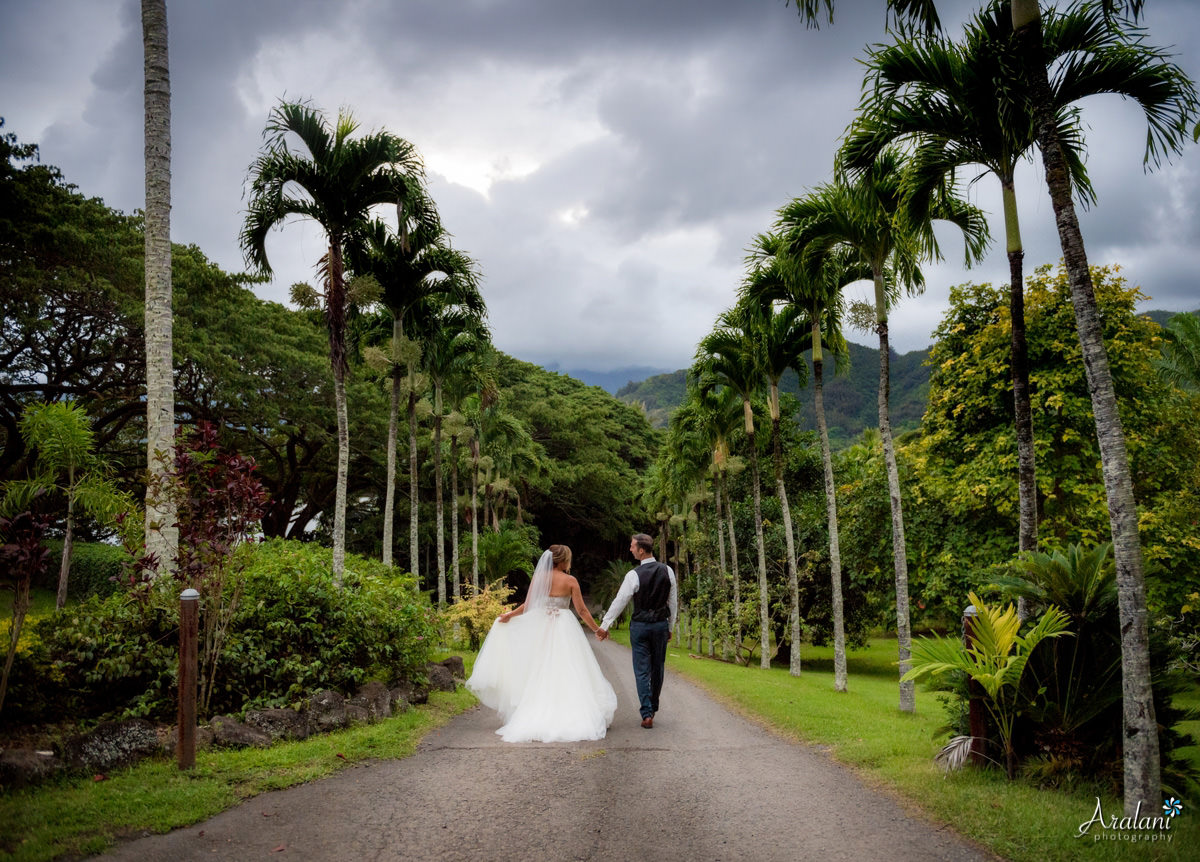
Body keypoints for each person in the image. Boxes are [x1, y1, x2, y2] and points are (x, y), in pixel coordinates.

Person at [466, 545, 617, 743]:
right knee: (569, 668)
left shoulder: (540, 579)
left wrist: (510, 615)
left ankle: (537, 712)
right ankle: (569, 710)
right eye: (568, 559)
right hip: (564, 628)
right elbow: (582, 611)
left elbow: (529, 605)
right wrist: (597, 629)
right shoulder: (570, 581)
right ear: (562, 561)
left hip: (543, 628)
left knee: (542, 668)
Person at [595, 533, 677, 729]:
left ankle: (646, 712)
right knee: (658, 667)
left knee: (641, 670)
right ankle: (653, 708)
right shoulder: (668, 571)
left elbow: (620, 601)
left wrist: (605, 625)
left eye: (632, 546)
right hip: (659, 625)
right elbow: (673, 601)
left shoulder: (633, 575)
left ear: (641, 550)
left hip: (640, 626)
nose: (630, 549)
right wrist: (670, 626)